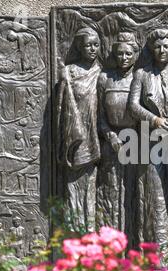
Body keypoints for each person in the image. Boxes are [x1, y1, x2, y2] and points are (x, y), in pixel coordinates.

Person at [128, 29, 168, 262]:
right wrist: (154, 120)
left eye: (166, 47)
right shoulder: (142, 75)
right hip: (152, 142)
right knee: (156, 196)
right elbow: (133, 107)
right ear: (152, 49)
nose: (162, 51)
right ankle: (161, 250)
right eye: (157, 47)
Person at [56, 27, 101, 233]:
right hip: (75, 133)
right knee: (73, 185)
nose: (92, 49)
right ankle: (74, 230)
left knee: (91, 185)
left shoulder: (101, 73)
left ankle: (90, 229)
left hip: (96, 135)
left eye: (95, 45)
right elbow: (61, 108)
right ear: (79, 47)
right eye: (87, 45)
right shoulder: (70, 72)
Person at [96, 32, 138, 237]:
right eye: (120, 54)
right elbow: (99, 115)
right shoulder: (105, 79)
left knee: (131, 193)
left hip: (134, 142)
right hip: (110, 142)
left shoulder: (139, 78)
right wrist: (110, 135)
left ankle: (132, 243)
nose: (124, 58)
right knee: (109, 192)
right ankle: (110, 242)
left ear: (135, 55)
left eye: (128, 54)